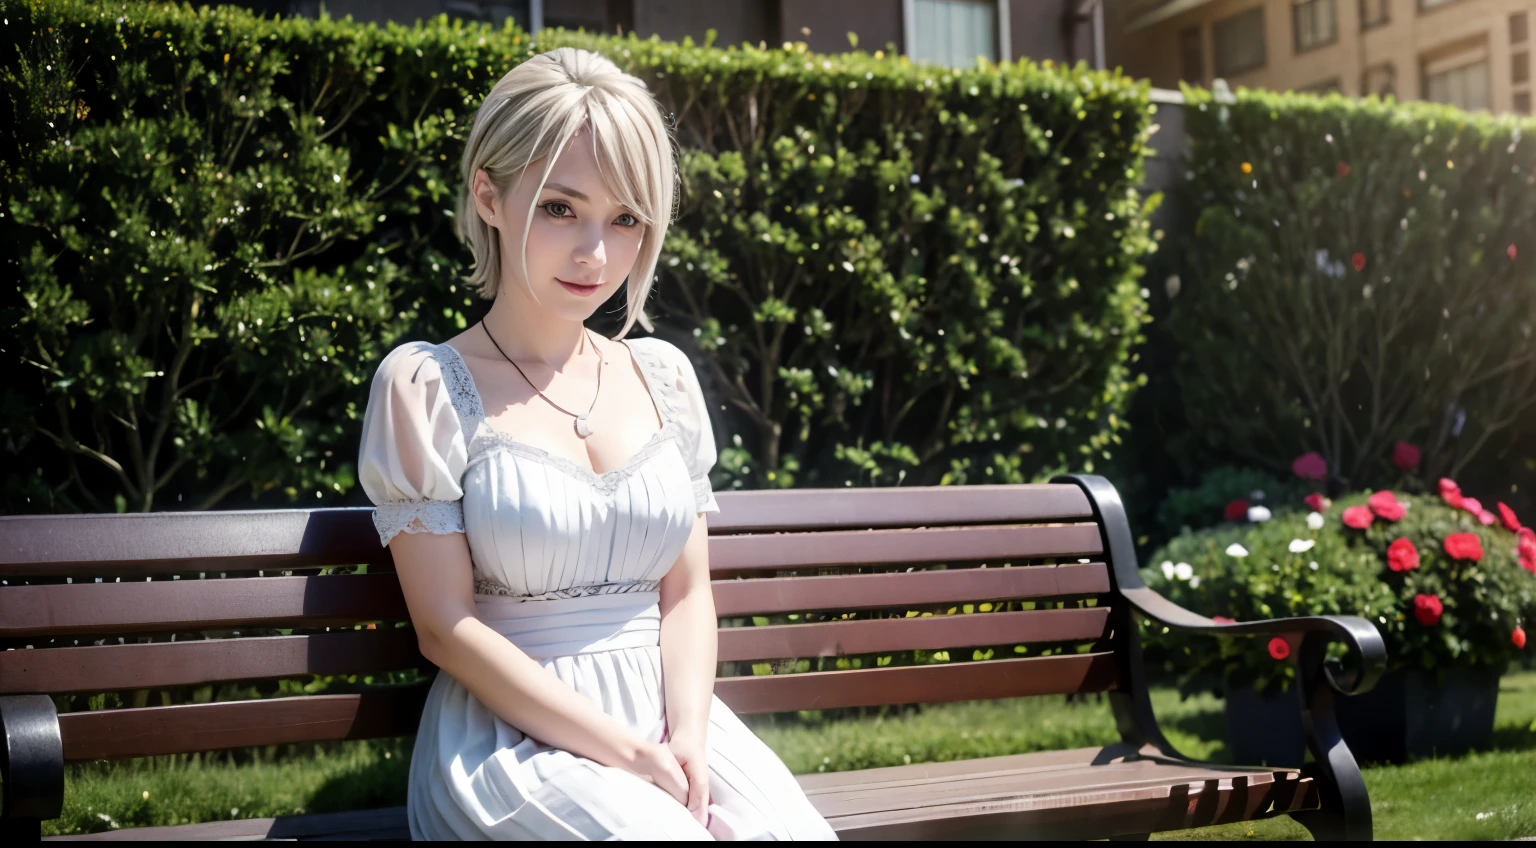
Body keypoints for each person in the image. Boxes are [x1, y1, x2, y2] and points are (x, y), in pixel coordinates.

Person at [356, 47, 836, 840]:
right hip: (509, 740)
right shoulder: (428, 388)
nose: (596, 254)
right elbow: (445, 626)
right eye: (559, 208)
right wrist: (625, 753)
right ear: (489, 194)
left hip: (671, 718)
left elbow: (686, 595)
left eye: (624, 219)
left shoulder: (663, 380)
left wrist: (686, 737)